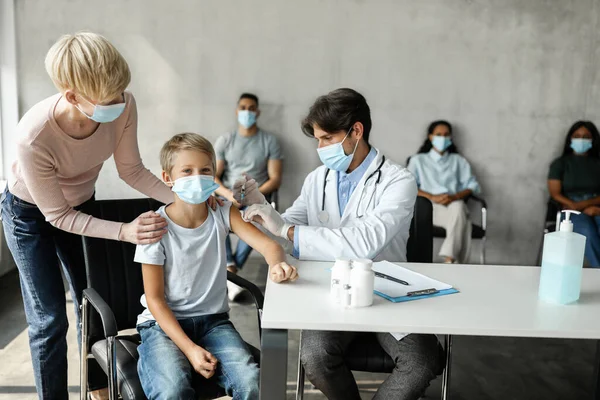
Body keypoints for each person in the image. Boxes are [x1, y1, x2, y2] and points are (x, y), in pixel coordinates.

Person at [0, 32, 220, 399]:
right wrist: (125, 231)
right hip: (29, 216)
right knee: (49, 320)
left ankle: (101, 390)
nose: (120, 102)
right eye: (109, 98)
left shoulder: (123, 105)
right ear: (72, 96)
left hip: (83, 205)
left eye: (122, 91)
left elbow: (131, 170)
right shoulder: (33, 136)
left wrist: (187, 198)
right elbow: (56, 215)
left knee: (94, 308)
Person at [239, 88, 443, 400]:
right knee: (315, 358)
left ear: (356, 131)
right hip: (331, 291)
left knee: (423, 361)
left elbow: (363, 243)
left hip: (386, 292)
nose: (320, 147)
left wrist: (286, 229)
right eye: (317, 139)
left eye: (327, 139)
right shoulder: (317, 179)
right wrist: (260, 209)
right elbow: (285, 227)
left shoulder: (397, 181)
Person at [134, 133, 297, 399]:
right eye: (187, 171)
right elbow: (155, 300)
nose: (197, 177)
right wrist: (190, 350)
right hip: (162, 326)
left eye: (205, 170)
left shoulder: (222, 211)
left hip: (214, 324)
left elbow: (269, 246)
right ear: (168, 178)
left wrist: (277, 263)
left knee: (252, 384)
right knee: (172, 391)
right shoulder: (154, 228)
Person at [214, 93, 283, 300]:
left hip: (256, 196)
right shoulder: (225, 140)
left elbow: (275, 178)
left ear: (258, 112)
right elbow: (213, 176)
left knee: (257, 221)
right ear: (237, 111)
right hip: (228, 195)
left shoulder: (269, 141)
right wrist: (228, 194)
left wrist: (253, 193)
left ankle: (230, 273)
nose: (247, 112)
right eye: (243, 107)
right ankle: (231, 271)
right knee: (218, 212)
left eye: (251, 108)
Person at [407, 120, 481, 264]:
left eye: (446, 135)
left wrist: (454, 197)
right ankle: (453, 262)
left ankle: (449, 258)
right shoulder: (418, 160)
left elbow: (473, 185)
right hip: (429, 208)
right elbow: (409, 186)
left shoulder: (458, 161)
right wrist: (432, 197)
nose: (443, 138)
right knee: (464, 222)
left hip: (452, 206)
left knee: (459, 207)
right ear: (430, 137)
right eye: (439, 134)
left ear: (451, 138)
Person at [548, 120, 600, 267]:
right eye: (577, 136)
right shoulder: (560, 164)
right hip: (570, 209)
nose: (581, 140)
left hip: (596, 207)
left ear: (593, 140)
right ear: (570, 138)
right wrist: (575, 206)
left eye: (586, 136)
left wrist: (593, 207)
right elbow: (555, 193)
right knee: (587, 232)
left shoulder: (597, 164)